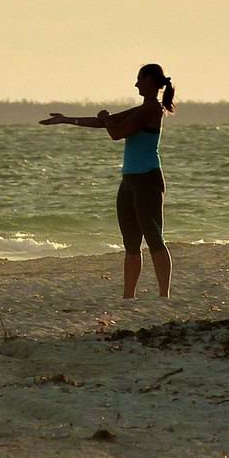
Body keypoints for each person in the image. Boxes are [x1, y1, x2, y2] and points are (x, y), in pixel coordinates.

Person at [40, 64, 175, 298]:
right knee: (131, 242)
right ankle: (128, 296)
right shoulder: (140, 109)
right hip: (129, 180)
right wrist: (66, 120)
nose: (136, 84)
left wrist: (105, 119)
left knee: (154, 239)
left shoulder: (151, 109)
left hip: (147, 179)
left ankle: (165, 295)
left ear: (151, 81)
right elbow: (105, 122)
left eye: (139, 79)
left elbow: (116, 132)